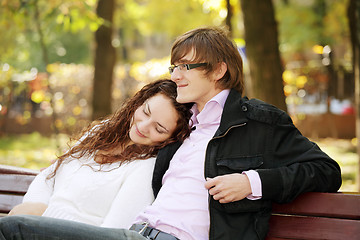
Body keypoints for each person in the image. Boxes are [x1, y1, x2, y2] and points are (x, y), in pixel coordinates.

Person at [0, 27, 341, 240]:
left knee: (13, 230)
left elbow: (326, 171)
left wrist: (252, 182)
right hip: (137, 232)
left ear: (219, 70)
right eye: (174, 66)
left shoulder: (259, 122)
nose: (177, 74)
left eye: (186, 67)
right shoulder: (182, 128)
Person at [6, 79, 192, 229]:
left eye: (158, 129)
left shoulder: (145, 168)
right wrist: (31, 214)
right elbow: (48, 176)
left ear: (171, 138)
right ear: (139, 102)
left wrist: (42, 217)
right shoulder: (101, 132)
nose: (143, 126)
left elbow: (112, 232)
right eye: (145, 112)